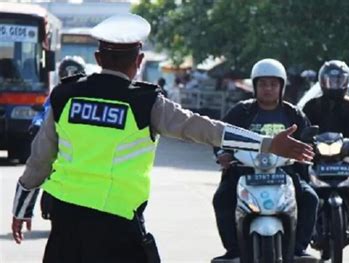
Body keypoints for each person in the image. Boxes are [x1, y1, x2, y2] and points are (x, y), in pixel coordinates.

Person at [11, 14, 314, 263]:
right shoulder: (146, 103)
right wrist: (266, 143)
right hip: (118, 226)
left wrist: (21, 208)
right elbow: (204, 128)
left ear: (98, 57)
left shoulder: (64, 95)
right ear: (139, 60)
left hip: (66, 223)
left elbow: (39, 160)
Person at [212, 59, 319, 262]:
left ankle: (298, 249)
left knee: (310, 198)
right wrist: (222, 154)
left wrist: (309, 150)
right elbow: (219, 135)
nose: (268, 89)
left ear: (281, 86)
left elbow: (308, 139)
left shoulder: (293, 113)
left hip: (285, 173)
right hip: (243, 173)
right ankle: (233, 251)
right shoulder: (241, 112)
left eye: (273, 84)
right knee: (221, 198)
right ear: (254, 86)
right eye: (262, 84)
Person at [301, 60, 349, 236]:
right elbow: (301, 126)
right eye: (331, 80)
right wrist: (304, 140)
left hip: (343, 154)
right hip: (317, 154)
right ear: (323, 81)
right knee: (301, 176)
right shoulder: (312, 105)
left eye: (339, 80)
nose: (335, 84)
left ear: (346, 82)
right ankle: (300, 220)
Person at [28, 56, 87, 220]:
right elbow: (44, 112)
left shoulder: (88, 95)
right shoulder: (57, 94)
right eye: (66, 74)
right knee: (37, 169)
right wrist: (37, 125)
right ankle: (26, 210)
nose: (70, 77)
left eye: (74, 74)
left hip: (82, 146)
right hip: (57, 143)